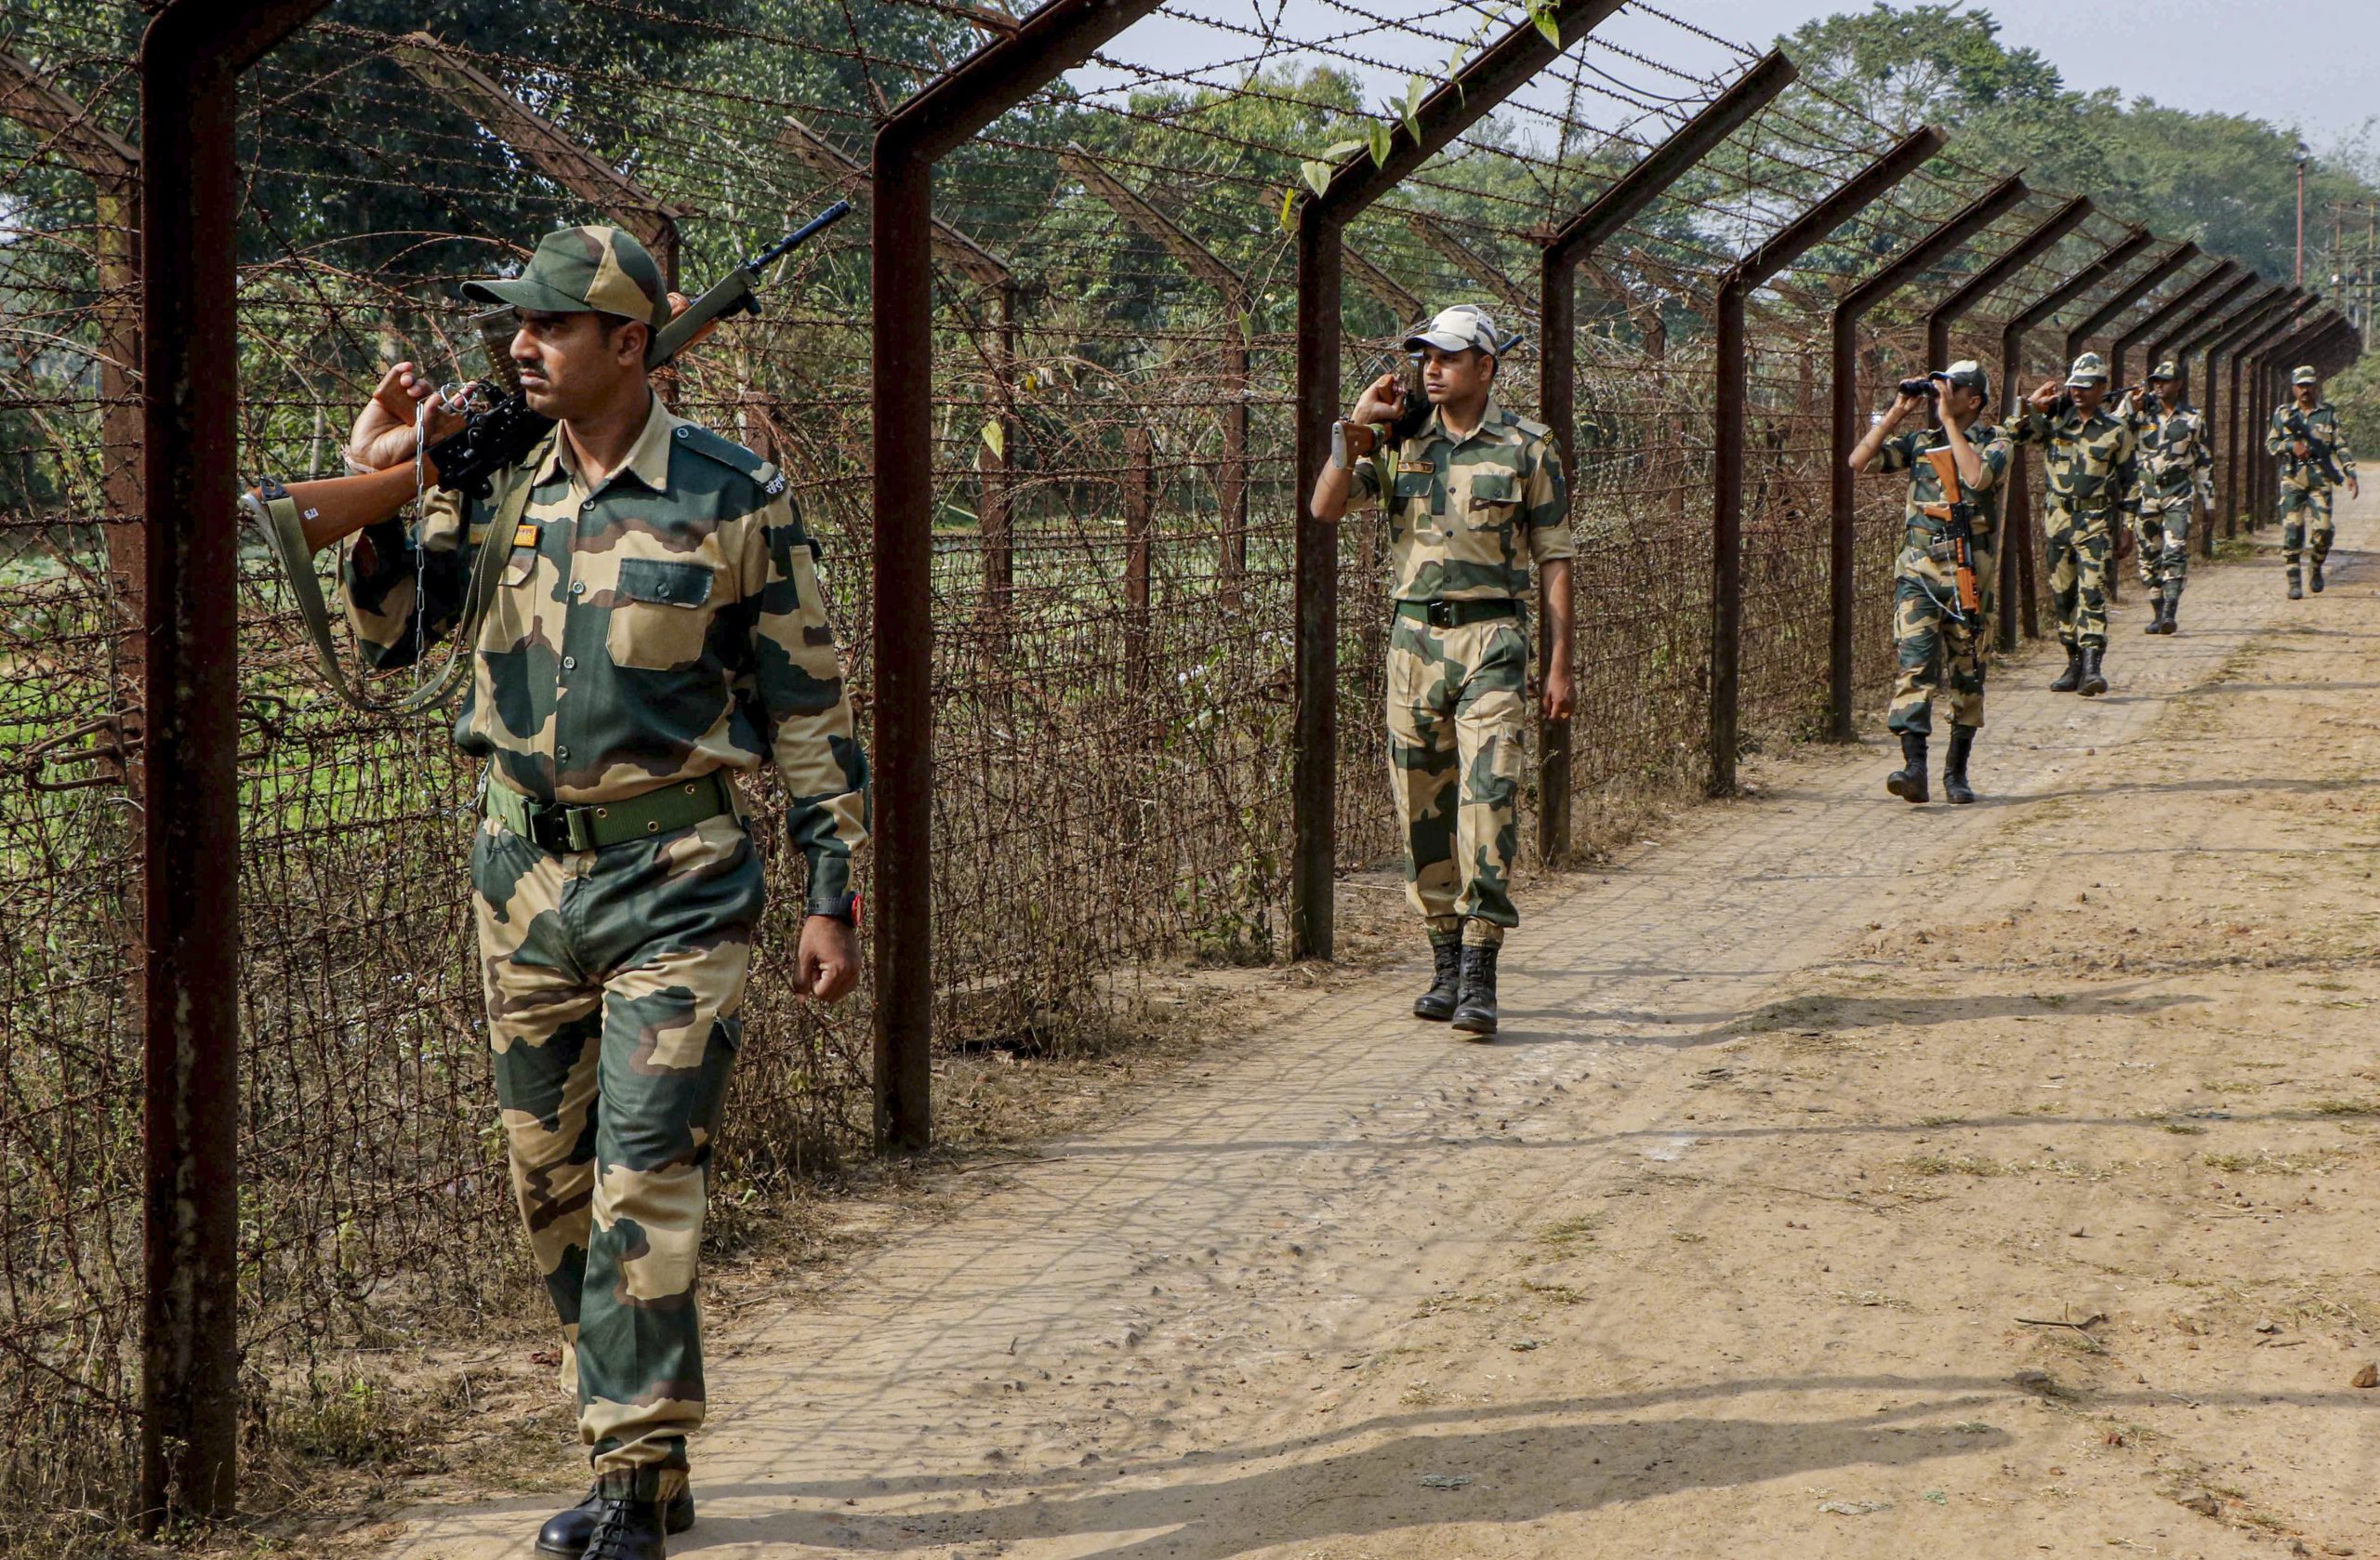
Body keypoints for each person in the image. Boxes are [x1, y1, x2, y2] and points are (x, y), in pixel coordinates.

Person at [340, 225, 868, 1560]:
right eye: (515, 324)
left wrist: (832, 892)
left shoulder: (734, 495)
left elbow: (810, 711)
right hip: (519, 881)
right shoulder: (498, 478)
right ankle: (646, 1455)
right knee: (555, 1189)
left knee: (645, 1173)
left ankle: (631, 1479)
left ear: (632, 344)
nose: (520, 345)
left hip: (678, 881)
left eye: (552, 324)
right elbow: (398, 637)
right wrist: (385, 495)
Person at [1307, 304, 1574, 1038]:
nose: (1432, 368)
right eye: (1426, 355)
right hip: (1413, 644)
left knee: (1489, 798)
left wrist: (1560, 663)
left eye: (1449, 357)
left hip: (1492, 637)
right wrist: (1355, 425)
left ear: (1486, 368)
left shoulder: (1527, 447)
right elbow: (1326, 506)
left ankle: (1482, 967)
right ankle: (1445, 962)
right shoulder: (1397, 441)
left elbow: (1554, 557)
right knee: (1420, 806)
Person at [1847, 361, 2011, 804]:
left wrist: (1948, 424)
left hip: (1968, 578)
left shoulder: (1995, 441)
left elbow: (1977, 477)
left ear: (1973, 400)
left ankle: (1956, 773)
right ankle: (1914, 767)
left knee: (1967, 675)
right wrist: (1897, 412)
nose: (1942, 393)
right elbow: (1859, 461)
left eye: (1951, 388)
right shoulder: (1921, 442)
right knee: (1914, 667)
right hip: (1919, 574)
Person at [2010, 351, 2137, 696]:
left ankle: (2093, 666)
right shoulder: (2054, 424)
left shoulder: (2116, 431)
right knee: (2063, 597)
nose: (2078, 392)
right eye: (2073, 386)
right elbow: (2016, 435)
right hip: (2059, 523)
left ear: (2101, 388)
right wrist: (2031, 406)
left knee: (2092, 593)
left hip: (2095, 524)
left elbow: (2131, 482)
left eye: (2086, 386)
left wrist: (2128, 527)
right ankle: (2073, 662)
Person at [2125, 360, 2214, 634]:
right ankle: (2157, 610)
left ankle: (2169, 612)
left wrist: (2209, 501)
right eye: (2156, 380)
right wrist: (2131, 406)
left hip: (2178, 492)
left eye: (2165, 380)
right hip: (2146, 493)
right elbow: (2115, 428)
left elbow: (2203, 462)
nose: (2159, 385)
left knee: (2175, 551)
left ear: (2179, 384)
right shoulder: (2141, 414)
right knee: (2148, 555)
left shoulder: (2193, 418)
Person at [2266, 364, 2360, 598]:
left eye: (2308, 385)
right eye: (2301, 385)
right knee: (2293, 530)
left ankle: (2316, 566)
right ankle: (2294, 580)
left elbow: (2340, 444)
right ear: (2293, 388)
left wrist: (2350, 473)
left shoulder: (2328, 414)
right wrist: (2291, 446)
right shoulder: (2283, 414)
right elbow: (2271, 444)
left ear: (2315, 387)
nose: (2305, 390)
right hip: (2293, 479)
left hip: (2320, 479)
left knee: (2324, 530)